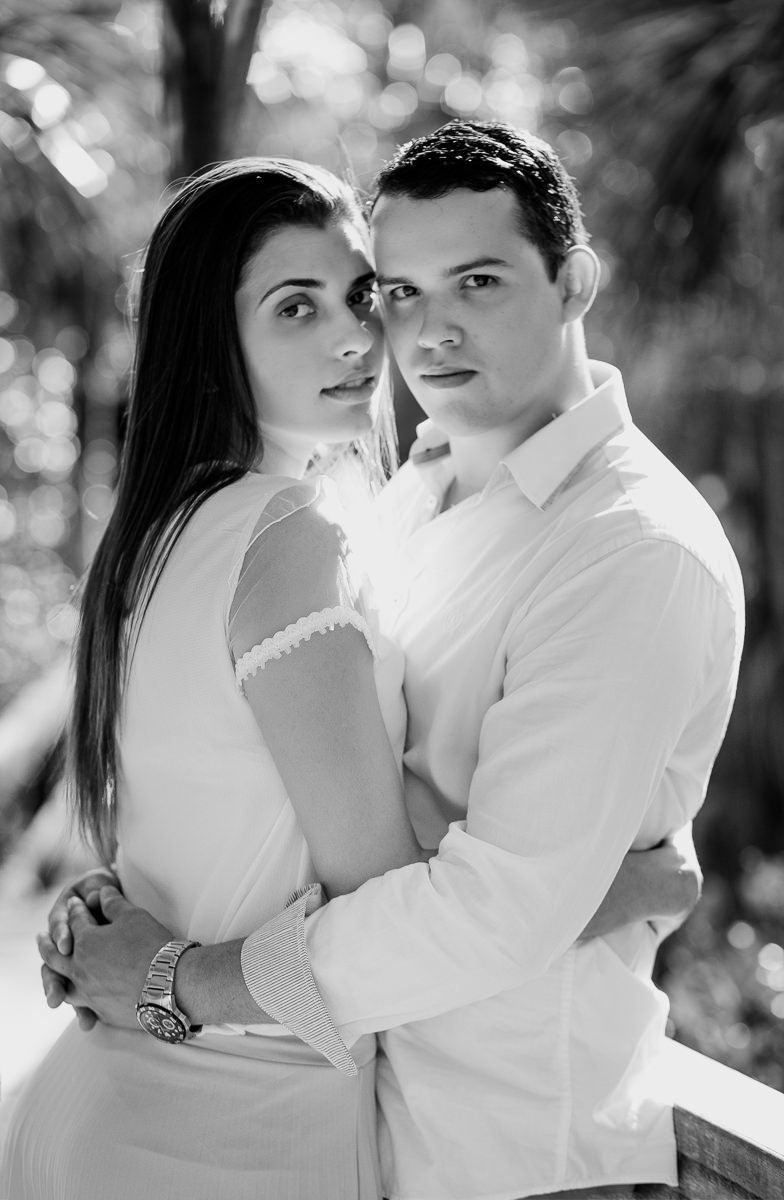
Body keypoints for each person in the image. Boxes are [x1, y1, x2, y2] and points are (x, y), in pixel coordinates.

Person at [28, 124, 731, 1199]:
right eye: (396, 291)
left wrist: (172, 975)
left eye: (478, 281)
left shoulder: (628, 548)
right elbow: (304, 819)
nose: (421, 329)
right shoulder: (392, 503)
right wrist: (625, 879)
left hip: (503, 1157)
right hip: (289, 1128)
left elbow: (496, 912)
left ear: (575, 281)